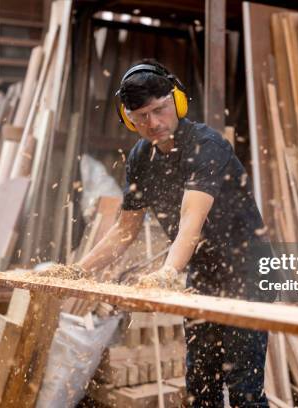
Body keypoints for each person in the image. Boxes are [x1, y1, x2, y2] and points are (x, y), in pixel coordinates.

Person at [76, 59, 271, 407]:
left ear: (177, 102)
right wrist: (79, 270)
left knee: (244, 389)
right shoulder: (140, 158)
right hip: (204, 271)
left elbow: (190, 222)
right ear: (129, 119)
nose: (153, 123)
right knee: (201, 385)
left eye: (160, 110)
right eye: (141, 117)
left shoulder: (206, 146)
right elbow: (125, 229)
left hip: (247, 270)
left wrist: (167, 272)